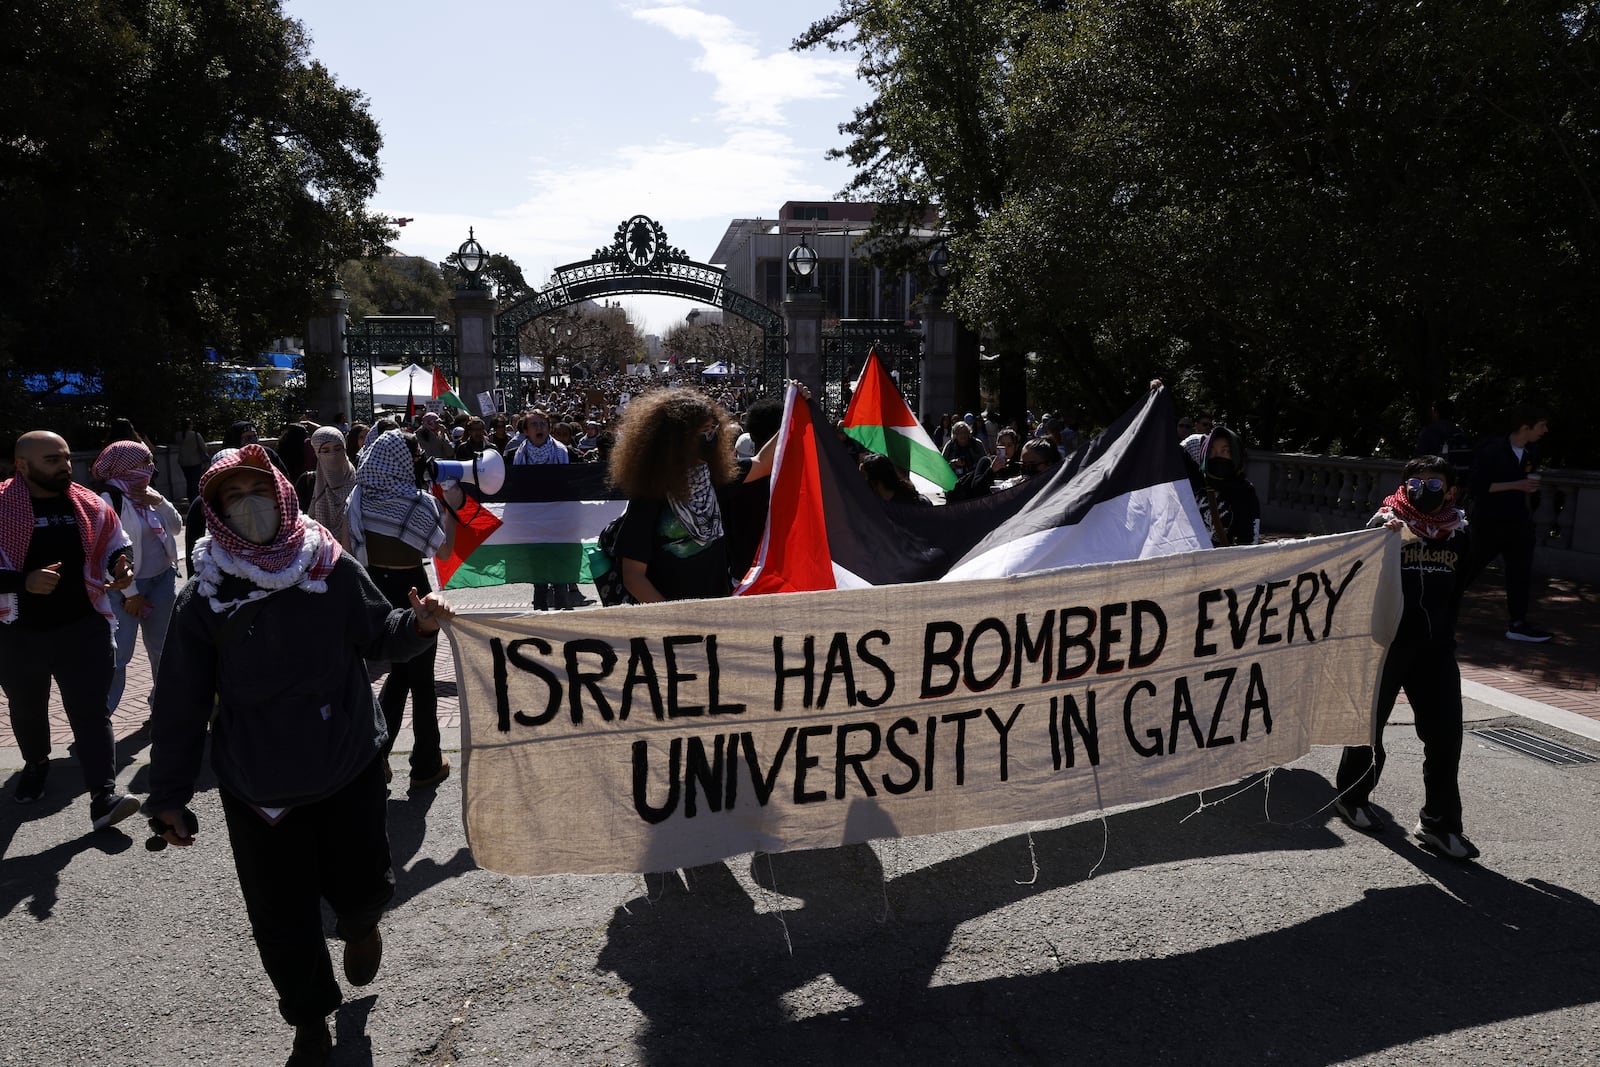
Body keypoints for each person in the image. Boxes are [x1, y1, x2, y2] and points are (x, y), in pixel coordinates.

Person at [145, 443, 455, 1065]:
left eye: (256, 490)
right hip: (259, 784)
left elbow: (380, 633)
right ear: (214, 509)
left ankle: (362, 924)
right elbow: (179, 700)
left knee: (363, 884)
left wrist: (419, 627)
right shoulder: (205, 593)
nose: (248, 505)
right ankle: (309, 1018)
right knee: (281, 914)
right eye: (232, 497)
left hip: (347, 762)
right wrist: (169, 794)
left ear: (282, 491)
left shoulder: (327, 564)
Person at [1335, 456, 1479, 860]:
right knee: (1369, 728)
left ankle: (1440, 823)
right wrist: (1383, 538)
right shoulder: (1382, 526)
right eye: (1416, 484)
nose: (1424, 491)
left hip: (1435, 649)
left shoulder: (1460, 534)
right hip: (1387, 645)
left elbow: (1460, 585)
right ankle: (1352, 797)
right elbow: (1355, 573)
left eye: (1435, 484)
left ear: (1450, 491)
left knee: (1446, 737)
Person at [0, 431, 140, 828]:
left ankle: (104, 797)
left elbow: (117, 540)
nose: (64, 465)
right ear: (22, 465)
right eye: (51, 460)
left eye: (65, 457)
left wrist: (121, 564)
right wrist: (22, 582)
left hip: (84, 626)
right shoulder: (1, 505)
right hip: (18, 632)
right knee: (27, 708)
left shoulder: (88, 501)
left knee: (92, 711)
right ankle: (36, 763)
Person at [348, 431, 457, 789]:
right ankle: (425, 762)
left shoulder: (359, 498)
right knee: (420, 679)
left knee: (399, 672)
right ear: (403, 460)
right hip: (414, 592)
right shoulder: (419, 503)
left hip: (375, 591)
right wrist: (451, 512)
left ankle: (377, 756)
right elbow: (441, 553)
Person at [609, 388, 743, 604]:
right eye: (701, 432)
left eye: (712, 429)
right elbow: (633, 576)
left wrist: (799, 406)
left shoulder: (716, 479)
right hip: (672, 627)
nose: (710, 438)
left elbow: (767, 461)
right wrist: (675, 620)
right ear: (673, 441)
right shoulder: (649, 495)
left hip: (718, 618)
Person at [92, 440, 182, 717]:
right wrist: (131, 594)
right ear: (125, 466)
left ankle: (163, 708)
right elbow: (107, 553)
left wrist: (162, 503)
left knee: (163, 649)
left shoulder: (147, 492)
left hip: (162, 580)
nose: (150, 468)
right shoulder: (108, 501)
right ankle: (100, 718)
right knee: (119, 655)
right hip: (123, 590)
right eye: (144, 462)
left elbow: (177, 528)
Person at [1461, 405, 1552, 642]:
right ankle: (1439, 609)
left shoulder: (1532, 452)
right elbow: (1477, 487)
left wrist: (1525, 488)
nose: (1545, 430)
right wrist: (1517, 485)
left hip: (1519, 522)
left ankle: (1518, 624)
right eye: (1542, 425)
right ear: (1526, 427)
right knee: (1469, 568)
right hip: (1489, 522)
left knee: (1520, 573)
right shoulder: (1491, 450)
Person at [508, 410, 569, 610]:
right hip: (532, 522)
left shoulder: (563, 452)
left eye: (543, 424)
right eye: (534, 425)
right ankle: (540, 614)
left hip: (559, 520)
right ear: (525, 431)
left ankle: (563, 615)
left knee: (560, 574)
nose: (540, 428)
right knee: (539, 574)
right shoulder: (517, 455)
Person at [1196, 424, 1261, 547]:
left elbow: (1248, 543)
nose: (1217, 456)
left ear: (1236, 454)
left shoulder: (1245, 492)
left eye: (1225, 451)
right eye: (1211, 451)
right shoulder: (1194, 485)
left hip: (1222, 564)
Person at [298, 427, 357, 552]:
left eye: (337, 449)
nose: (332, 455)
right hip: (320, 555)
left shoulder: (358, 479)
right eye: (325, 450)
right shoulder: (309, 481)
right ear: (316, 453)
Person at [174, 417, 210, 502]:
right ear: (190, 425)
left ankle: (190, 499)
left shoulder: (178, 435)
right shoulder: (195, 435)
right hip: (195, 461)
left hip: (183, 462)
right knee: (196, 482)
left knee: (189, 481)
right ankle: (196, 499)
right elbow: (204, 448)